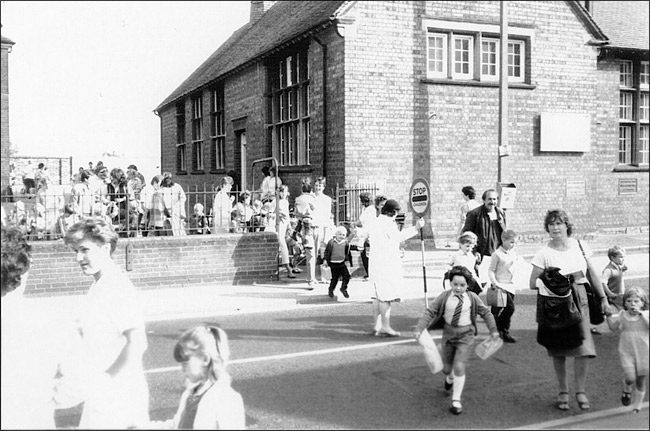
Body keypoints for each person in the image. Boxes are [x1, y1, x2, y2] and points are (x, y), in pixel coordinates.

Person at [63, 218, 150, 428]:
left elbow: (137, 343)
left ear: (106, 247)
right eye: (75, 251)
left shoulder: (115, 287)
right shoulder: (100, 285)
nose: (78, 258)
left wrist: (105, 380)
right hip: (104, 393)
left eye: (84, 250)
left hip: (119, 395)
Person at [1, 226, 87, 429]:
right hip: (33, 418)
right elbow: (80, 380)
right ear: (25, 267)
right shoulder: (52, 318)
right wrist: (47, 400)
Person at [528, 209, 612, 411]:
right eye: (551, 224)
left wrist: (603, 299)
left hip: (580, 300)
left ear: (567, 225)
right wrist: (553, 281)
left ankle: (580, 391)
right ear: (547, 228)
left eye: (559, 223)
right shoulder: (543, 253)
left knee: (583, 348)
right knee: (559, 350)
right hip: (556, 304)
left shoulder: (580, 246)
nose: (555, 227)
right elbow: (532, 283)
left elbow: (592, 274)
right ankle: (563, 391)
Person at [413, 265, 500, 415]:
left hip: (466, 335)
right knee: (447, 369)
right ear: (450, 283)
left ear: (468, 285)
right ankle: (450, 377)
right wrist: (419, 328)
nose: (458, 288)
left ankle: (456, 399)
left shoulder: (472, 298)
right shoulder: (445, 297)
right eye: (455, 284)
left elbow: (486, 313)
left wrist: (494, 331)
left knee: (459, 365)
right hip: (448, 334)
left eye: (462, 285)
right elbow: (430, 312)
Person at [150, 325, 245, 429]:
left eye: (185, 364)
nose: (181, 369)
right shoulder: (191, 394)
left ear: (205, 359)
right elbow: (177, 425)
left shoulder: (225, 397)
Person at [367, 199, 425, 337]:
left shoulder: (374, 221)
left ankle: (377, 325)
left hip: (375, 261)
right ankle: (385, 327)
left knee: (376, 295)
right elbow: (398, 237)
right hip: (386, 263)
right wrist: (416, 228)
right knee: (385, 297)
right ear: (393, 212)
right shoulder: (388, 223)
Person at [605, 288, 648, 414]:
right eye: (629, 301)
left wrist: (641, 315)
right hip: (627, 351)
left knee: (641, 380)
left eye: (636, 301)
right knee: (630, 378)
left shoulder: (646, 315)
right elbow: (613, 327)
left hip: (644, 352)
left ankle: (637, 406)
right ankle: (627, 387)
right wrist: (608, 317)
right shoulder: (622, 315)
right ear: (625, 303)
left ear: (642, 303)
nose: (633, 304)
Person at [462, 189, 506, 285]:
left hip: (498, 253)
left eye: (494, 199)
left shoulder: (501, 213)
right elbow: (466, 234)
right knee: (480, 284)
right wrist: (473, 251)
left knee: (498, 284)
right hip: (482, 255)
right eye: (489, 199)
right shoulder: (474, 214)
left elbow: (504, 232)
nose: (492, 202)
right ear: (484, 200)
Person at [487, 229, 520, 343]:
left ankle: (500, 330)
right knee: (507, 309)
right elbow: (491, 270)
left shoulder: (513, 253)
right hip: (500, 286)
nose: (513, 245)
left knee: (505, 310)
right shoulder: (497, 254)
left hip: (511, 285)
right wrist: (495, 283)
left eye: (515, 242)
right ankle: (502, 331)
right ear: (503, 240)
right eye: (511, 242)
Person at [294, 177, 317, 287]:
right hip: (312, 225)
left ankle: (311, 280)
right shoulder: (313, 199)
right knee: (312, 254)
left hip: (303, 226)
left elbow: (296, 213)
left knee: (310, 254)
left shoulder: (298, 199)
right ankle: (311, 280)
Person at [312, 177, 333, 284]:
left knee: (324, 253)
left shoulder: (327, 199)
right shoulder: (311, 198)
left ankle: (325, 277)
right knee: (314, 253)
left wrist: (326, 231)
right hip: (314, 227)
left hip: (323, 227)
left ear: (323, 187)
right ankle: (312, 277)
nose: (318, 188)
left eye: (320, 186)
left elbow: (327, 216)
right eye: (316, 185)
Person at [323, 225, 353, 298]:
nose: (341, 236)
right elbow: (327, 252)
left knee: (347, 276)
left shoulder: (346, 243)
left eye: (343, 235)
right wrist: (325, 260)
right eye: (339, 234)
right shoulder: (331, 242)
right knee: (334, 279)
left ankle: (343, 288)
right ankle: (331, 290)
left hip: (341, 263)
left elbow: (348, 252)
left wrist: (348, 261)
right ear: (335, 234)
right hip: (333, 264)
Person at [161, 172, 187, 236]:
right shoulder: (161, 189)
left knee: (177, 227)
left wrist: (177, 206)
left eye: (169, 179)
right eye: (166, 179)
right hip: (165, 211)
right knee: (167, 227)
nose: (167, 180)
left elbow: (183, 197)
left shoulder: (177, 187)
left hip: (175, 210)